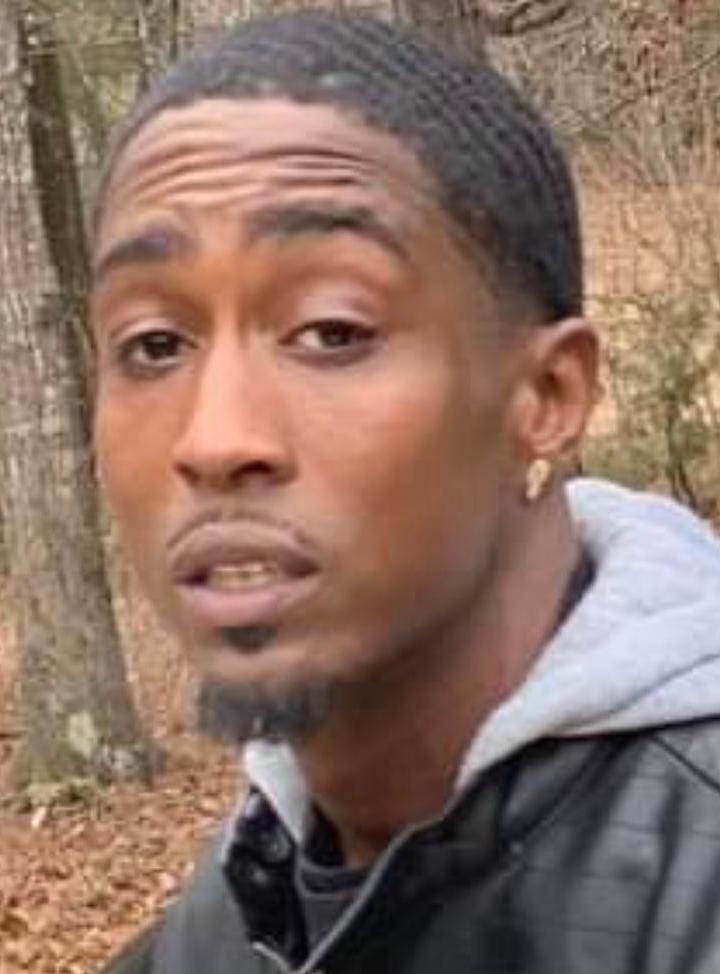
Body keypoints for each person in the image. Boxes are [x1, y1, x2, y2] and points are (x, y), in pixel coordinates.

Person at [92, 11, 720, 974]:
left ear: (548, 396)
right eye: (154, 345)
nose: (215, 440)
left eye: (332, 331)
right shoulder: (217, 931)